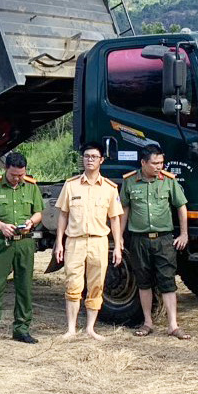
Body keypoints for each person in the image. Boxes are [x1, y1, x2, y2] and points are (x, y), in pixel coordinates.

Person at [120, 144, 191, 339]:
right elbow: (124, 210)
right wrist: (118, 237)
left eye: (161, 162)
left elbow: (181, 206)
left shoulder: (168, 181)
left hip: (164, 239)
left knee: (167, 281)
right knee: (143, 282)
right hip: (139, 239)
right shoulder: (130, 181)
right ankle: (147, 322)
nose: (159, 166)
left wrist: (184, 234)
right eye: (154, 163)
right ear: (143, 163)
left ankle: (173, 325)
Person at [54, 142, 124, 340]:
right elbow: (63, 215)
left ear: (101, 160)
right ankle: (71, 329)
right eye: (86, 156)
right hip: (74, 241)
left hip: (98, 242)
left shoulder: (110, 188)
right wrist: (59, 242)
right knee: (72, 284)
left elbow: (115, 219)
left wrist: (117, 246)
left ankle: (90, 329)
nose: (90, 160)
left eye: (94, 156)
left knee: (96, 285)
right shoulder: (71, 185)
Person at [0, 152, 44, 347]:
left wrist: (32, 221)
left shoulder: (31, 186)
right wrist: (1, 226)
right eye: (14, 175)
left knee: (25, 288)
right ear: (6, 170)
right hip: (1, 243)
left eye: (21, 175)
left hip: (24, 243)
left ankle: (21, 329)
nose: (17, 178)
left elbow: (39, 212)